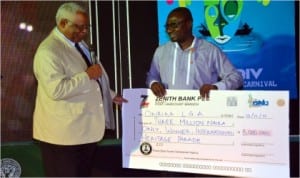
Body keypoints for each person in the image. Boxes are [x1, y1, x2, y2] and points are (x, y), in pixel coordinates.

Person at [32, 2, 127, 177]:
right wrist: (86, 75)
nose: (84, 31)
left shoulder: (78, 44)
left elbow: (94, 78)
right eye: (79, 27)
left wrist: (110, 95)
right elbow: (56, 90)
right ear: (62, 24)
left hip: (83, 133)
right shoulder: (48, 51)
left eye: (86, 27)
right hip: (63, 137)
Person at [146, 7, 243, 98]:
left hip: (201, 111)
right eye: (167, 26)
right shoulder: (161, 51)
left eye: (174, 25)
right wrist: (153, 83)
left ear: (189, 24)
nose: (169, 30)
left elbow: (236, 77)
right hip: (170, 111)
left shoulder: (210, 50)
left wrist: (216, 87)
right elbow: (152, 75)